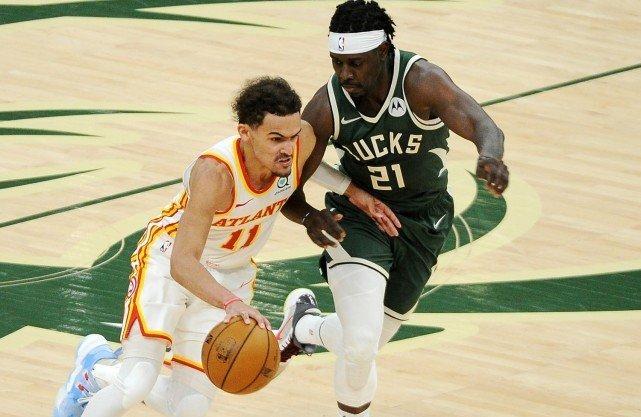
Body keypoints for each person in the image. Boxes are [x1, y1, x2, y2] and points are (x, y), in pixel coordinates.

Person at [52, 76, 397, 417]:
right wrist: (231, 303)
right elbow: (183, 263)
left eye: (292, 136)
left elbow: (307, 167)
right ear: (245, 132)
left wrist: (346, 197)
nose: (288, 148)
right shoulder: (214, 174)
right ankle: (96, 370)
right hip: (170, 263)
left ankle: (100, 365)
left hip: (231, 273)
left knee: (189, 407)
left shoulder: (300, 140)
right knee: (135, 382)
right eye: (276, 138)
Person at [281, 2, 510, 416]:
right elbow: (289, 181)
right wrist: (310, 216)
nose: (345, 74)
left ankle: (305, 326)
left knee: (366, 343)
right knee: (360, 344)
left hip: (423, 222)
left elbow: (483, 125)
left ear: (384, 52)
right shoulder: (327, 106)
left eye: (355, 63)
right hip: (358, 221)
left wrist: (490, 156)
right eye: (337, 62)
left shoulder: (421, 82)